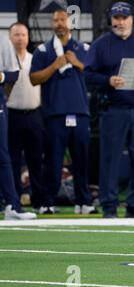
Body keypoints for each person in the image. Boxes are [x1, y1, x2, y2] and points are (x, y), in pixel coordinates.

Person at [84, 2, 134, 218]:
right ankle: (109, 206)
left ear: (132, 19)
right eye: (116, 18)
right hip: (113, 109)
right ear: (111, 20)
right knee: (110, 158)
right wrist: (108, 80)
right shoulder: (101, 44)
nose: (120, 22)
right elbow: (88, 75)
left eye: (124, 17)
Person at [30, 9, 96, 215]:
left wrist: (77, 63)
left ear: (70, 22)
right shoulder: (43, 50)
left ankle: (83, 201)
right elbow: (33, 79)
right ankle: (47, 201)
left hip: (80, 112)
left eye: (62, 19)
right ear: (52, 24)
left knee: (81, 160)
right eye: (55, 20)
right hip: (54, 114)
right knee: (53, 160)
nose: (59, 23)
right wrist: (54, 66)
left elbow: (94, 76)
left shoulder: (83, 48)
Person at [7, 22, 45, 211]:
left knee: (35, 160)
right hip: (12, 114)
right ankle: (13, 200)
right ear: (10, 38)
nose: (20, 38)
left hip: (34, 114)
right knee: (12, 160)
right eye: (16, 35)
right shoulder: (5, 62)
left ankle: (38, 200)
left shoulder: (35, 60)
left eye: (23, 35)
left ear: (28, 37)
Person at [0, 32, 36, 220]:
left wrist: (0, 76)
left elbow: (13, 73)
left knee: (3, 156)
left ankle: (11, 206)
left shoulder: (2, 40)